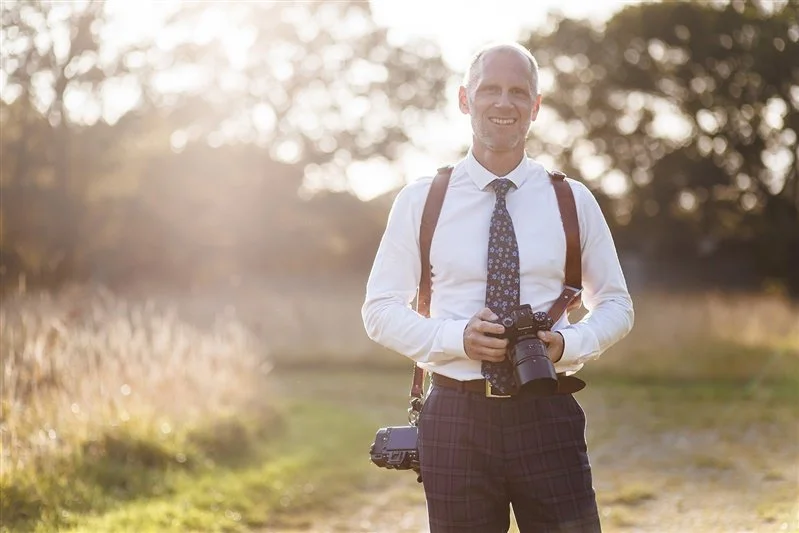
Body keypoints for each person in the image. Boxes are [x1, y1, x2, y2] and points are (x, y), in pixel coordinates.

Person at [361, 41, 634, 533]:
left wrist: (569, 343)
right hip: (454, 419)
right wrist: (454, 338)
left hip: (547, 412)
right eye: (490, 90)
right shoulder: (422, 200)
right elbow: (379, 309)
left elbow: (616, 304)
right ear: (465, 99)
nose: (503, 103)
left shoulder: (572, 199)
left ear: (535, 106)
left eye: (517, 92)